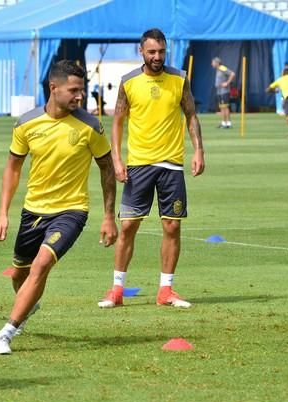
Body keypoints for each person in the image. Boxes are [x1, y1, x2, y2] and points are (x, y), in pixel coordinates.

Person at [0, 59, 118, 355]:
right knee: (20, 273)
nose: (79, 96)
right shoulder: (26, 124)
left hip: (72, 210)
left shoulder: (91, 126)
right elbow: (12, 168)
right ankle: (28, 305)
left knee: (41, 265)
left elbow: (107, 169)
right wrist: (2, 213)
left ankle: (6, 332)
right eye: (73, 90)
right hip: (33, 211)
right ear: (53, 88)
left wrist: (109, 215)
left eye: (81, 91)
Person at [98, 28, 205, 309]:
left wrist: (199, 151)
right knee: (129, 225)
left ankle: (166, 291)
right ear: (141, 52)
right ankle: (116, 290)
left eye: (161, 51)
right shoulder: (128, 82)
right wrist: (118, 160)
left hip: (172, 164)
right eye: (152, 52)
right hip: (139, 164)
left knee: (172, 226)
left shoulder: (179, 79)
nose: (157, 57)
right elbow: (118, 121)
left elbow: (191, 115)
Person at [211, 56, 235, 129]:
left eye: (213, 62)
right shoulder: (218, 69)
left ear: (217, 63)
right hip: (219, 91)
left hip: (224, 91)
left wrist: (227, 83)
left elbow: (232, 74)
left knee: (225, 107)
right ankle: (224, 122)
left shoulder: (222, 68)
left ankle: (228, 123)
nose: (212, 64)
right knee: (222, 107)